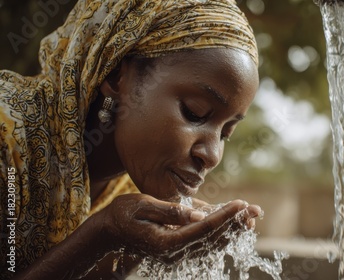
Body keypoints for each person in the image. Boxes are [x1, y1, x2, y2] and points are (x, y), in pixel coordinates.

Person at [0, 0, 262, 278]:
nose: (211, 156)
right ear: (115, 75)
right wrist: (101, 235)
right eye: (194, 112)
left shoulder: (129, 188)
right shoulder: (7, 138)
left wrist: (129, 245)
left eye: (226, 134)